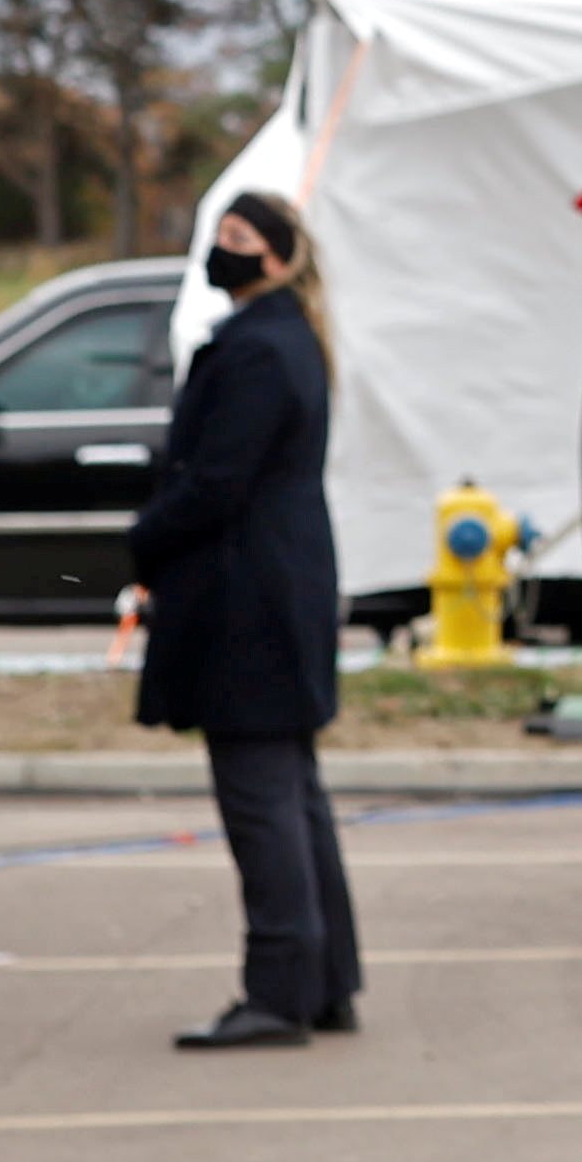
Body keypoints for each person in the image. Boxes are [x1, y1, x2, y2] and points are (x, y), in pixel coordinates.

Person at [129, 187, 358, 1049]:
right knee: (293, 793)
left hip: (248, 599)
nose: (221, 250)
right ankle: (324, 977)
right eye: (217, 235)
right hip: (277, 586)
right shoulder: (282, 338)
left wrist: (144, 536)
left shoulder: (261, 349)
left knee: (263, 797)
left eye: (238, 237)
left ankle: (277, 991)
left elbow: (216, 480)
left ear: (277, 254)